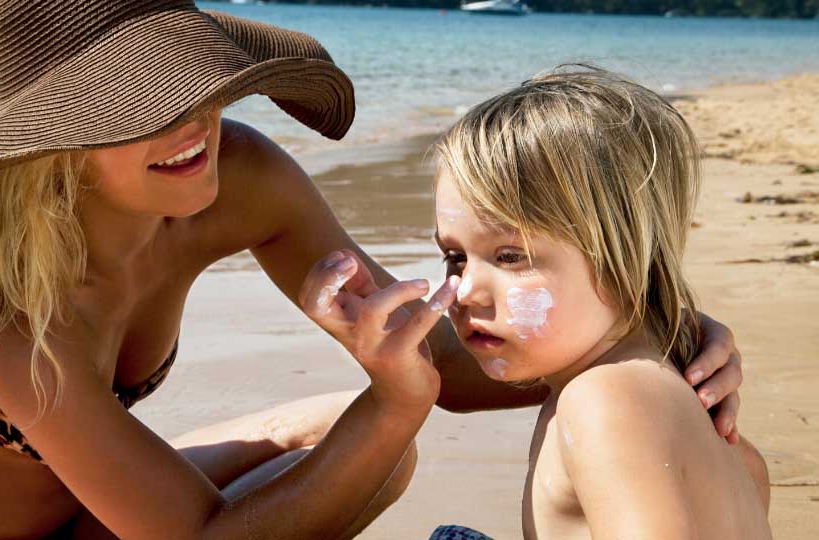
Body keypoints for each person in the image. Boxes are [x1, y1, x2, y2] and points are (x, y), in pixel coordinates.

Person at [0, 0, 744, 537]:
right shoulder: (6, 312)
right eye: (135, 104)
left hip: (99, 516)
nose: (188, 122)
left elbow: (439, 354)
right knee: (380, 434)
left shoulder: (238, 177)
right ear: (54, 141)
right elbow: (194, 537)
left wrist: (648, 336)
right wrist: (396, 404)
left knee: (363, 443)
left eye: (188, 81)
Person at [302, 66, 769, 539]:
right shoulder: (671, 388)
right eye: (455, 257)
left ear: (623, 257)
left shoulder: (607, 400)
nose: (464, 291)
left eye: (510, 256)